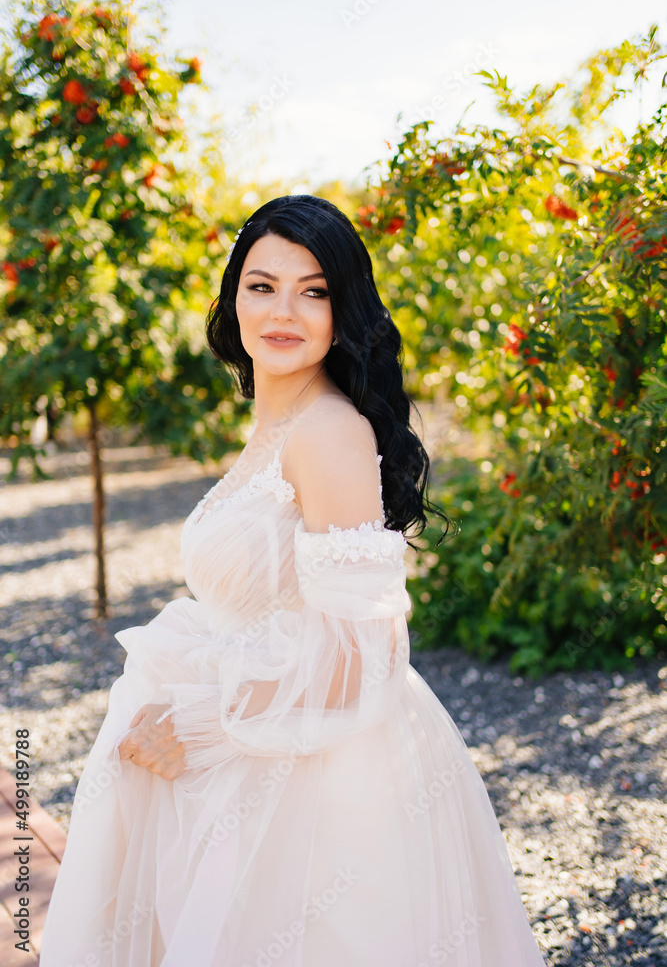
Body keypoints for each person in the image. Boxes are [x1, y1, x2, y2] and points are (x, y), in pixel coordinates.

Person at [39, 195, 547, 966]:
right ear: (232, 297)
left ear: (344, 312)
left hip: (320, 774)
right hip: (261, 738)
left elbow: (359, 651)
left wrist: (198, 720)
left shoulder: (328, 432)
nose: (284, 310)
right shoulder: (276, 426)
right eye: (261, 285)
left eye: (313, 291)